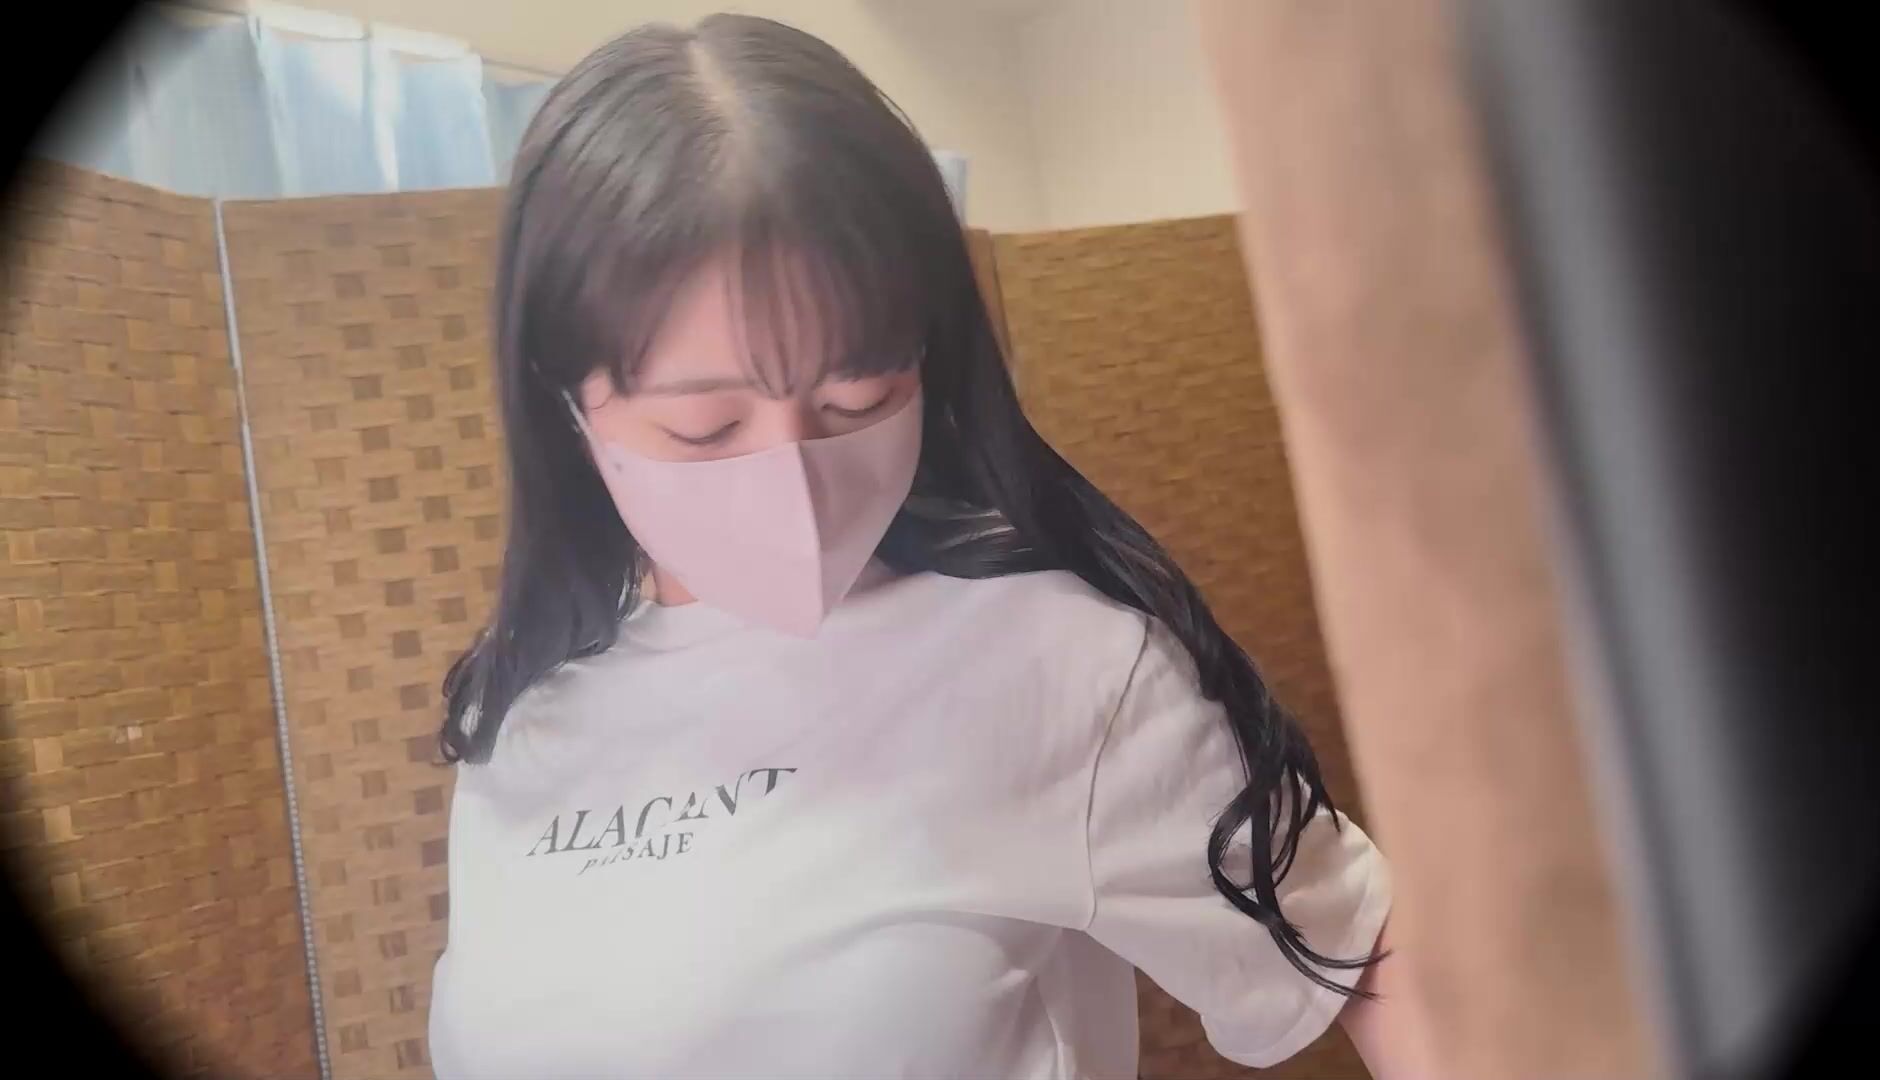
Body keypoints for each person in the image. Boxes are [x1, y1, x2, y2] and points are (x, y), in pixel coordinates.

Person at [427, 14, 1404, 1079]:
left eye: (858, 401)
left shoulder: (1053, 661)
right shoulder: (523, 706)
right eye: (703, 427)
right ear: (565, 405)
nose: (794, 483)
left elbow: (1373, 957)